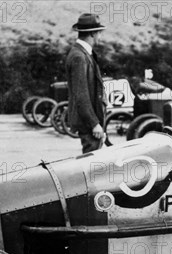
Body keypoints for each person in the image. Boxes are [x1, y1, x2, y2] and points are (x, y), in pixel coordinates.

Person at [66, 13, 107, 154]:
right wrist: (94, 123)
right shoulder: (79, 56)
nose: (100, 36)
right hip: (88, 123)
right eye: (99, 32)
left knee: (93, 161)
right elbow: (81, 95)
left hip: (90, 120)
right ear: (93, 33)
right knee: (91, 164)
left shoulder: (83, 53)